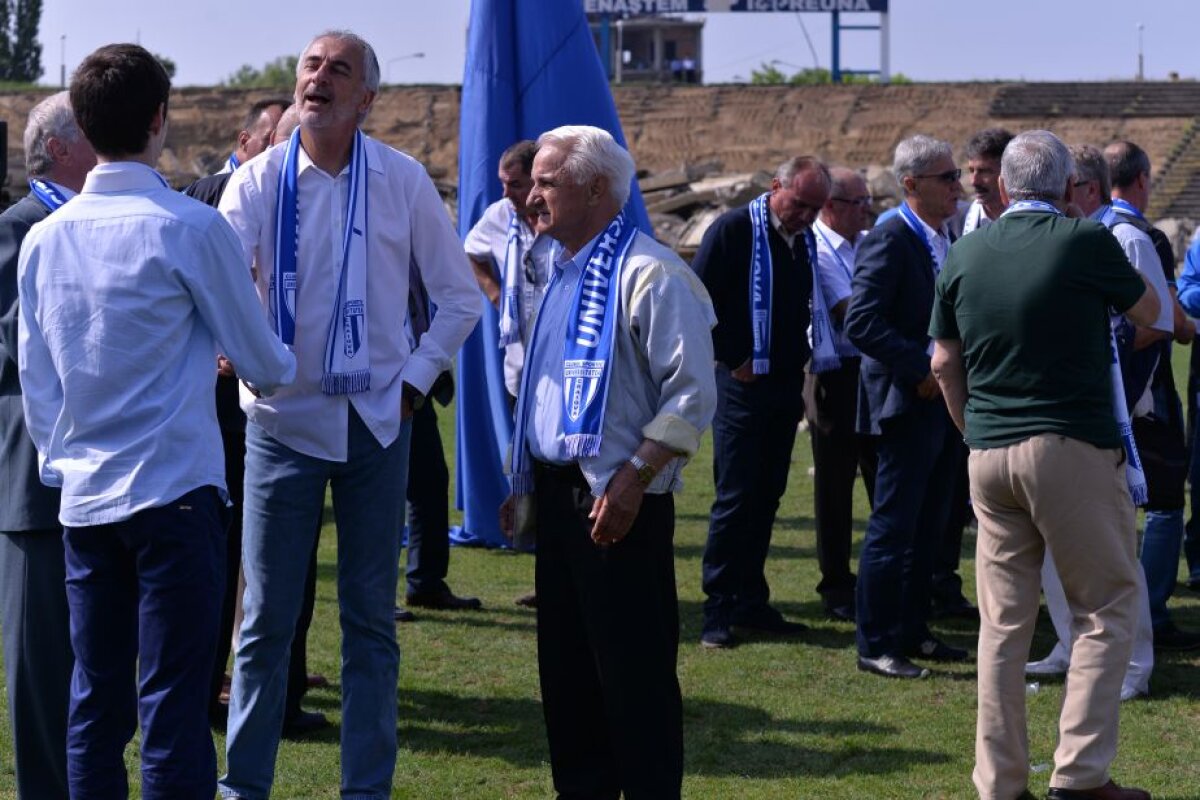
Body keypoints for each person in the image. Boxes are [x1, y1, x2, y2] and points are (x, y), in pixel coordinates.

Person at [18, 44, 296, 799]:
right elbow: (264, 364)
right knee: (172, 708)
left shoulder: (45, 240)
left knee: (96, 704)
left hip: (85, 496)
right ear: (158, 122)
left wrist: (60, 466)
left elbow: (38, 381)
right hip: (173, 492)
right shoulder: (189, 227)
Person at [216, 30, 480, 800]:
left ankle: (366, 791)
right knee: (264, 626)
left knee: (370, 624)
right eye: (310, 65)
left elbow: (460, 297)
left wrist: (413, 382)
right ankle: (244, 789)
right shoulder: (258, 183)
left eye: (339, 70)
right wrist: (240, 350)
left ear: (366, 99)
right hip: (280, 428)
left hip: (375, 428)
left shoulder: (400, 180)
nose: (319, 78)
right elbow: (225, 289)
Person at [930, 128, 1156, 800]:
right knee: (1106, 606)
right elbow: (1154, 310)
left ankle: (998, 782)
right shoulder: (1085, 240)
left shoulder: (965, 251)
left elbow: (943, 361)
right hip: (1069, 445)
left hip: (989, 450)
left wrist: (973, 433)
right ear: (1065, 188)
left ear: (1002, 187)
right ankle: (1080, 775)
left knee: (1003, 626)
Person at [500, 123, 716, 800]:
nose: (532, 195)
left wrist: (636, 476)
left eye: (545, 181)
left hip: (620, 502)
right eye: (533, 180)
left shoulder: (651, 273)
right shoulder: (558, 270)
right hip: (561, 501)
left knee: (634, 679)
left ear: (596, 189)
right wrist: (524, 475)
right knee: (566, 680)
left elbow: (692, 392)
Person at [1021, 144, 1158, 701]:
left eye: (1065, 188)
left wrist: (1118, 395)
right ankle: (1069, 642)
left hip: (1105, 416)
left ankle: (1133, 664)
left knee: (1113, 552)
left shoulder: (1121, 238)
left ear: (1087, 190)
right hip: (1050, 420)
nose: (1055, 199)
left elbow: (1155, 322)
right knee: (1051, 549)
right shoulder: (1049, 242)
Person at [0, 90, 95, 800]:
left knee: (90, 667)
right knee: (40, 671)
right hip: (35, 481)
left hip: (100, 476)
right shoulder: (20, 227)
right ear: (62, 148)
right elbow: (16, 345)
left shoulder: (90, 225)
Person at [695, 155, 831, 649]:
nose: (807, 216)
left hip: (783, 386)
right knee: (735, 497)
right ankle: (718, 607)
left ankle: (751, 599)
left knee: (767, 495)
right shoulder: (734, 230)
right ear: (776, 186)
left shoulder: (803, 241)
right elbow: (698, 301)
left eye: (816, 208)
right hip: (742, 385)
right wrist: (733, 358)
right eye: (800, 204)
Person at [845, 134, 968, 679]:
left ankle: (914, 630)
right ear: (912, 184)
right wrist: (921, 367)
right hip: (906, 402)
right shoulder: (891, 238)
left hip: (941, 403)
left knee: (932, 525)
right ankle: (876, 642)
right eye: (948, 178)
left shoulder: (945, 236)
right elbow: (862, 322)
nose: (958, 187)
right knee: (894, 527)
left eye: (957, 176)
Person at [1105, 140, 1200, 651]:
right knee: (1164, 503)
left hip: (1107, 392)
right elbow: (1167, 318)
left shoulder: (1094, 229)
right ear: (1143, 179)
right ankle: (1151, 612)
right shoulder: (1143, 236)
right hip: (1145, 393)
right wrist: (1181, 326)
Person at [804, 165, 877, 622]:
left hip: (871, 369)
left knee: (880, 475)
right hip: (834, 373)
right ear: (830, 206)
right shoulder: (819, 246)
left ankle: (881, 577)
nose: (868, 211)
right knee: (834, 485)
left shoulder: (865, 243)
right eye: (859, 203)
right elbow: (851, 311)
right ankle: (836, 584)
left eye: (869, 202)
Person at [960, 128, 1013, 235]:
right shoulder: (955, 223)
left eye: (984, 171)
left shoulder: (1034, 222)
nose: (974, 181)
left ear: (1009, 172)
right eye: (971, 171)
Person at [219, 98, 289, 174]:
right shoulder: (216, 185)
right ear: (244, 141)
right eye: (269, 140)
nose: (280, 149)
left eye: (289, 143)